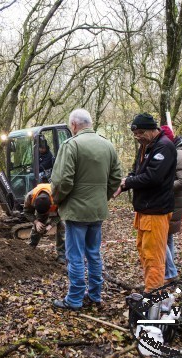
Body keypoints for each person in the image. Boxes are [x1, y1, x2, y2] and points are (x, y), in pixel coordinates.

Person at [50, 108, 122, 311]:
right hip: (97, 211)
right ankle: (95, 295)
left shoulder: (71, 145)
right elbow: (116, 178)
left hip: (76, 212)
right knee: (94, 254)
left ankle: (74, 299)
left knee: (75, 256)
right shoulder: (108, 145)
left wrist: (57, 200)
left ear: (73, 125)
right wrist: (102, 197)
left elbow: (63, 180)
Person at [117, 114, 177, 295]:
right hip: (144, 210)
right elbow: (136, 172)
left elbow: (153, 177)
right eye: (135, 134)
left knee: (153, 257)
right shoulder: (145, 147)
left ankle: (154, 294)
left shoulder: (164, 147)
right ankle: (151, 288)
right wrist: (124, 183)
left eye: (141, 132)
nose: (138, 137)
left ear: (153, 129)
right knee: (143, 251)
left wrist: (128, 182)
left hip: (156, 211)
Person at [160, 126, 182, 284]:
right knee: (167, 238)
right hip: (170, 200)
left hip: (172, 202)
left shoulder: (179, 154)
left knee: (161, 238)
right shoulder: (174, 151)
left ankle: (170, 271)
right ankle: (168, 271)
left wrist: (163, 186)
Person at [23, 183, 65, 264]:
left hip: (58, 210)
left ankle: (62, 254)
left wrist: (51, 225)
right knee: (39, 226)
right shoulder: (30, 197)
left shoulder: (58, 196)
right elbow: (26, 212)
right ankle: (31, 247)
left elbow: (62, 214)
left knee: (62, 225)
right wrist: (36, 222)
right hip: (43, 209)